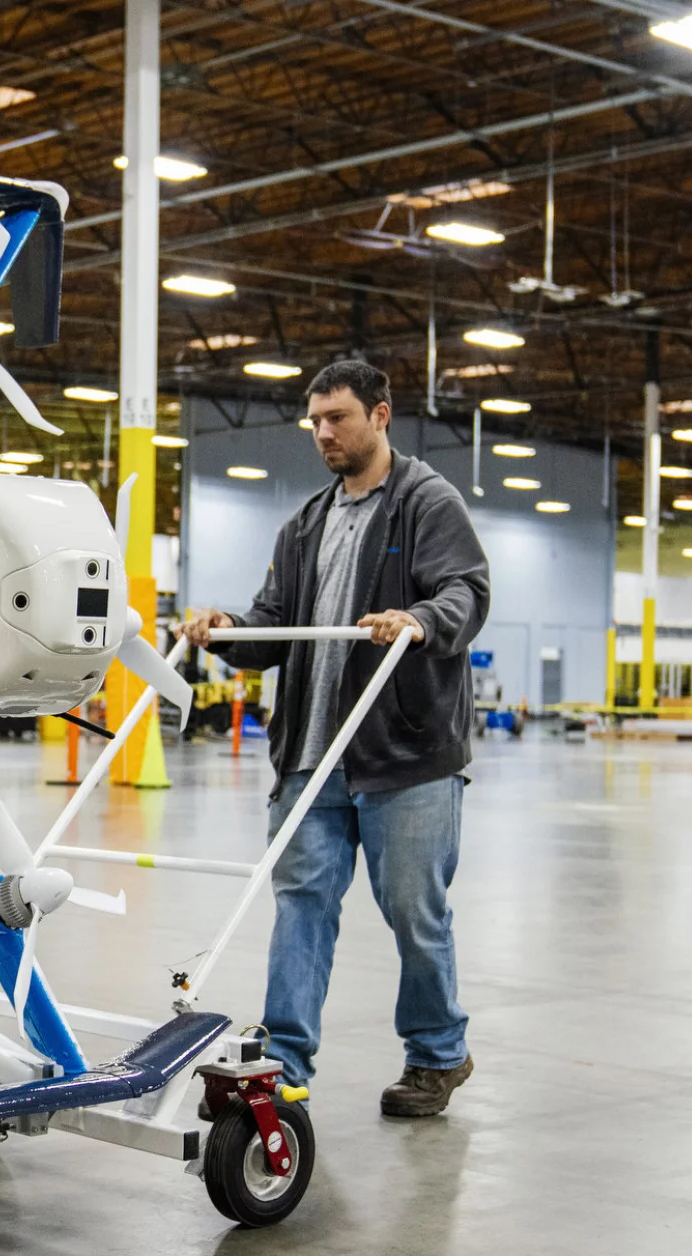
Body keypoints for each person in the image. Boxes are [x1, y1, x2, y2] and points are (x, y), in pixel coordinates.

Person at [177, 359, 491, 1118]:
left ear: (381, 416)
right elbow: (272, 627)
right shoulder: (307, 521)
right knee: (300, 906)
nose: (323, 433)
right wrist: (228, 631)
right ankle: (282, 1067)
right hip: (311, 760)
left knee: (414, 912)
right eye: (315, 421)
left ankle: (437, 1054)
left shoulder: (426, 502)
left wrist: (419, 620)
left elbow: (466, 592)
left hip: (406, 757)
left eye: (338, 418)